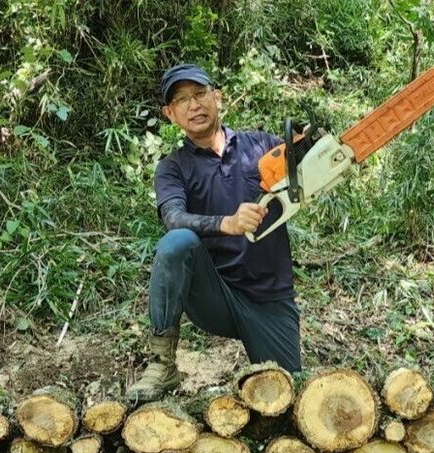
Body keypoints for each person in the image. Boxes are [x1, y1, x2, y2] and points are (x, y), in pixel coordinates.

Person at [126, 63, 302, 403]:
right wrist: (228, 223)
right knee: (178, 242)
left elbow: (308, 171)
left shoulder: (262, 145)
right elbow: (174, 218)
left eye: (199, 94)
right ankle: (162, 363)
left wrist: (314, 151)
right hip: (216, 295)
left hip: (270, 296)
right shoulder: (173, 167)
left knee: (287, 399)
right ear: (170, 113)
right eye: (181, 100)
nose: (194, 105)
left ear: (217, 97)